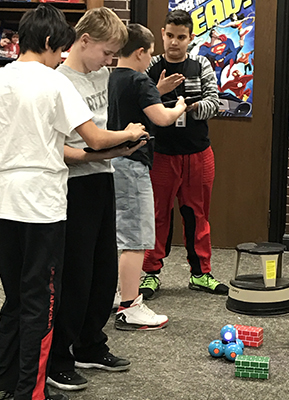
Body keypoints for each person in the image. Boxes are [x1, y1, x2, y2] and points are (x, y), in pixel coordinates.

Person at [0, 5, 147, 400]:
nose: (59, 57)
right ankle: (31, 392)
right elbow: (95, 140)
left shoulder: (1, 79)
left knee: (14, 299)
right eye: (58, 49)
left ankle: (10, 383)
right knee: (41, 304)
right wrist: (129, 132)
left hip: (5, 203)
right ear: (50, 43)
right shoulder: (54, 82)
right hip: (42, 206)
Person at [47, 7, 142, 392]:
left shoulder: (101, 73)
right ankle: (58, 358)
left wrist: (117, 149)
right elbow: (57, 148)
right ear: (83, 41)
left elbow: (104, 136)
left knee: (103, 273)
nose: (110, 61)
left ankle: (90, 343)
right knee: (76, 276)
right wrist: (116, 142)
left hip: (103, 178)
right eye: (106, 52)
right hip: (74, 185)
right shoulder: (57, 81)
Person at [139, 10, 229, 300]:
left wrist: (187, 107)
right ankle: (151, 274)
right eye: (169, 36)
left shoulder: (200, 63)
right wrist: (159, 90)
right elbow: (137, 103)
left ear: (190, 38)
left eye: (181, 37)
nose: (174, 42)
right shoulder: (151, 65)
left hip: (198, 153)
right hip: (161, 154)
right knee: (158, 216)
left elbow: (214, 103)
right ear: (162, 34)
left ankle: (201, 274)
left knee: (197, 215)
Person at [108, 23, 187, 331]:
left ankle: (119, 294)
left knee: (121, 234)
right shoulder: (140, 80)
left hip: (113, 164)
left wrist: (158, 90)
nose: (152, 59)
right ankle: (130, 307)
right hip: (133, 165)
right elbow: (160, 118)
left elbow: (135, 103)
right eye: (151, 53)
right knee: (136, 237)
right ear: (140, 52)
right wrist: (178, 106)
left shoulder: (112, 77)